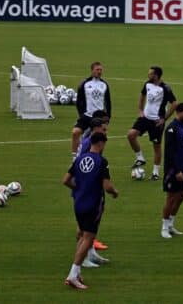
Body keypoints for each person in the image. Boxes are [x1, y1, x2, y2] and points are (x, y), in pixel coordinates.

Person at [62, 133, 119, 291]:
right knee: (88, 238)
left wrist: (79, 189)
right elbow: (107, 186)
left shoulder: (79, 159)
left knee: (82, 235)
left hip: (78, 202)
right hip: (93, 203)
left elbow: (65, 180)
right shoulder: (101, 161)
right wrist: (115, 192)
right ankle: (72, 275)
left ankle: (77, 272)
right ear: (101, 143)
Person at [128, 66, 177, 180]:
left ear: (156, 75)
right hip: (145, 118)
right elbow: (142, 96)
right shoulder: (147, 84)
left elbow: (174, 103)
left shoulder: (165, 88)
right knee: (131, 135)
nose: (148, 75)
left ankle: (155, 173)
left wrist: (164, 118)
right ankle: (140, 158)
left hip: (156, 122)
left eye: (150, 74)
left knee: (156, 146)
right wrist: (140, 110)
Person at [75, 113, 111, 264]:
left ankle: (90, 253)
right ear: (96, 128)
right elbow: (82, 165)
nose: (105, 132)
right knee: (85, 226)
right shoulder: (89, 144)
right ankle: (83, 258)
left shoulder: (90, 140)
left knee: (91, 223)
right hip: (85, 187)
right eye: (103, 129)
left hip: (88, 186)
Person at [161, 103, 183, 239]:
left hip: (182, 167)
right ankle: (164, 227)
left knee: (181, 196)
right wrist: (177, 170)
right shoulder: (171, 129)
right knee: (171, 197)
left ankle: (171, 224)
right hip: (173, 170)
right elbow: (170, 152)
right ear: (178, 113)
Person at [71, 62, 111, 157]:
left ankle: (98, 158)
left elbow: (108, 102)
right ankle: (74, 157)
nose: (99, 72)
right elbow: (79, 101)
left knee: (101, 139)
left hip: (99, 118)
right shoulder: (84, 83)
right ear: (92, 70)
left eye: (101, 70)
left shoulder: (104, 84)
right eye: (97, 69)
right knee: (75, 132)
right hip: (87, 116)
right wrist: (81, 115)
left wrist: (108, 116)